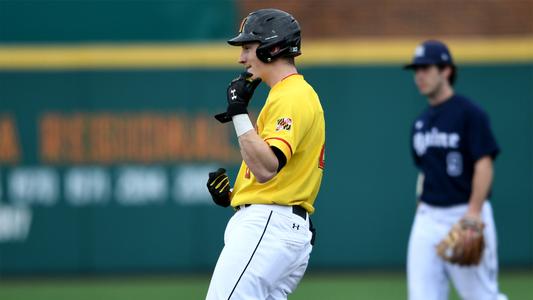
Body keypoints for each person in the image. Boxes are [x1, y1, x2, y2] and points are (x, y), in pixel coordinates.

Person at [205, 8, 325, 300]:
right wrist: (233, 194)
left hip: (270, 225)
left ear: (272, 48)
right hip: (277, 225)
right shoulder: (287, 94)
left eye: (248, 47)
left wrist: (238, 113)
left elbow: (267, 167)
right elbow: (276, 176)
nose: (241, 57)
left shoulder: (292, 95)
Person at [404, 40, 507, 300]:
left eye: (426, 68)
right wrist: (421, 207)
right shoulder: (420, 123)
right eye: (416, 70)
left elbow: (484, 163)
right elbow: (425, 170)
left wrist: (473, 214)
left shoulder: (469, 114)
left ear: (446, 70)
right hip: (428, 218)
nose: (419, 75)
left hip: (465, 214)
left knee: (482, 296)